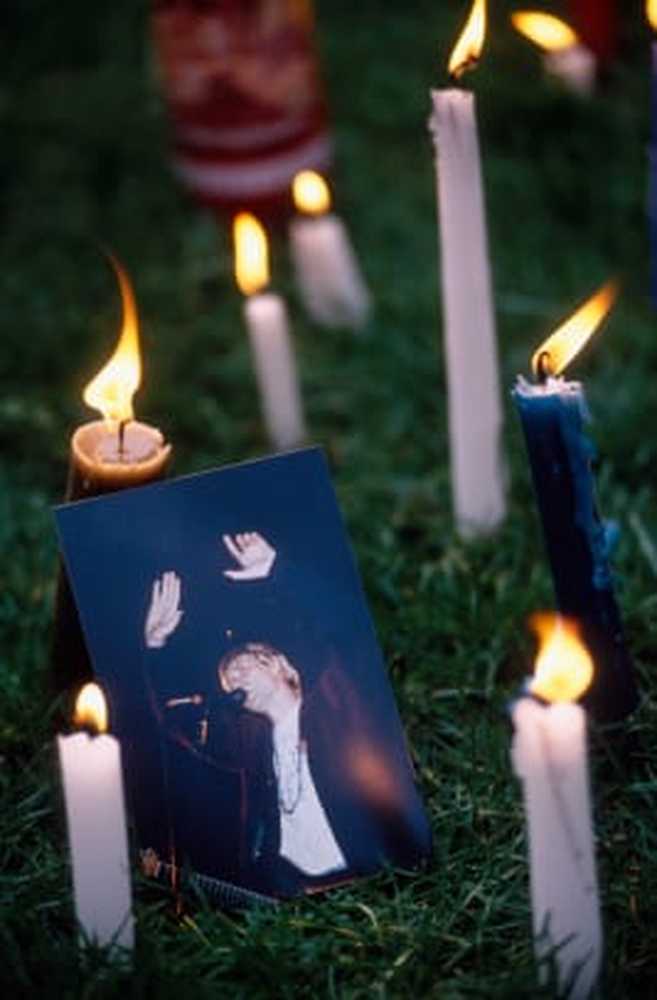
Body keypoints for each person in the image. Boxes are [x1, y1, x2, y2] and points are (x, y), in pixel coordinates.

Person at [142, 531, 431, 897]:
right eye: (227, 679)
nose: (232, 679)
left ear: (278, 664)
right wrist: (156, 645)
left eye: (240, 665)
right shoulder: (250, 747)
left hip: (371, 876)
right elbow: (173, 723)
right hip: (294, 894)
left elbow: (346, 626)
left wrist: (279, 570)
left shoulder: (336, 701)